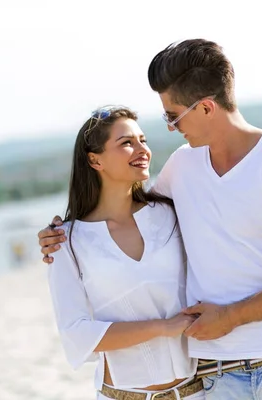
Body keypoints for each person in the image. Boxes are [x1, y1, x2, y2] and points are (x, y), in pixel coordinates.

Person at [39, 39, 262, 399]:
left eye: (173, 116)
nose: (169, 128)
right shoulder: (181, 168)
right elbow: (124, 207)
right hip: (215, 379)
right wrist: (57, 235)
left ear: (204, 108)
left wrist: (244, 311)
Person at [47, 106, 205, 399]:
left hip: (199, 392)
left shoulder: (170, 212)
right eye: (126, 143)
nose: (142, 149)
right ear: (95, 160)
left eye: (143, 139)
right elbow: (77, 334)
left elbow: (226, 247)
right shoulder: (65, 242)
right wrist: (163, 327)